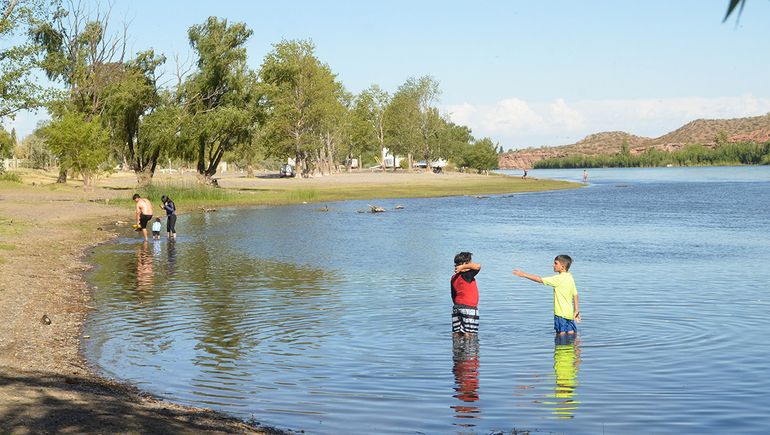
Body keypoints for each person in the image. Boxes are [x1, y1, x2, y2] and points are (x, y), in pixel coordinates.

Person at [512, 254, 581, 335]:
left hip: (560, 314)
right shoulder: (570, 277)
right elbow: (575, 294)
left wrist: (524, 274)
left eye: (555, 263)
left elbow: (539, 279)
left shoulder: (558, 279)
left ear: (562, 266)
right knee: (571, 334)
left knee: (561, 335)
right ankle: (575, 347)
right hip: (569, 314)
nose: (553, 265)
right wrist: (576, 311)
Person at [451, 252, 481, 336]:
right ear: (465, 264)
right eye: (470, 263)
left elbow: (453, 295)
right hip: (469, 308)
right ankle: (469, 349)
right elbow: (478, 266)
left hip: (457, 307)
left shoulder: (454, 277)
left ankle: (457, 349)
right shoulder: (467, 275)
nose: (472, 264)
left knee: (457, 333)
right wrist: (464, 267)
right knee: (470, 334)